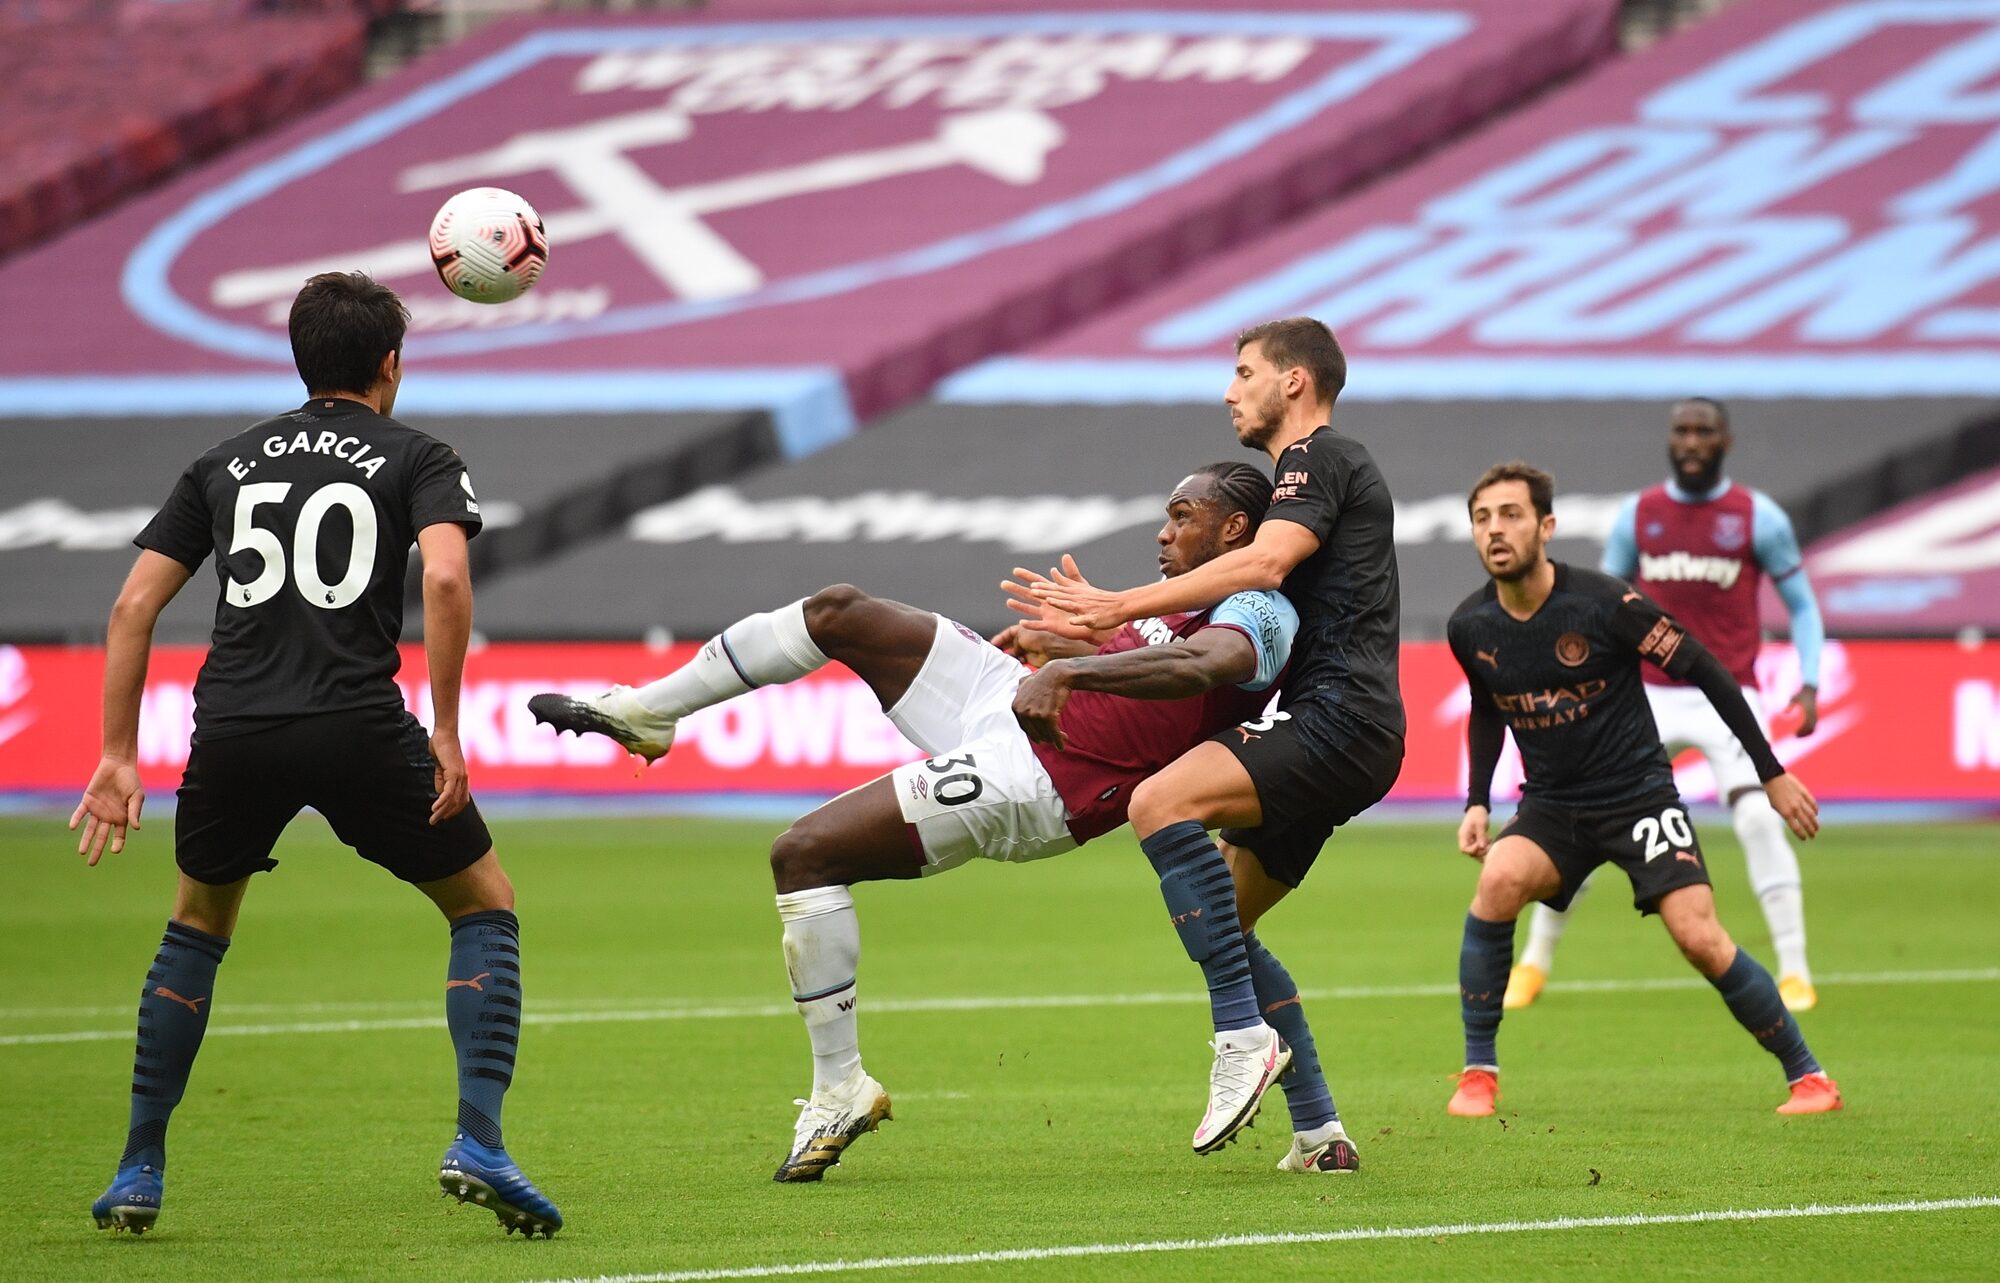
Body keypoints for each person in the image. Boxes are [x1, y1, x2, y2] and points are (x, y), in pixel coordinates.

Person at [528, 464, 1354, 1180]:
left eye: (1183, 515)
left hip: (1033, 779)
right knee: (840, 610)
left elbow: (1206, 665)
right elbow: (1141, 654)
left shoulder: (1260, 605)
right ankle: (647, 712)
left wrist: (1074, 672)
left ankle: (837, 1088)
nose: (1163, 531)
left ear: (1237, 527)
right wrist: (1061, 649)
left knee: (802, 854)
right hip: (995, 701)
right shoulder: (1174, 599)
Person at [69, 272, 560, 1237]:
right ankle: (478, 1137)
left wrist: (116, 755)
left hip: (236, 728)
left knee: (197, 928)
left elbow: (132, 606)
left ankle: (137, 1167)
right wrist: (449, 728)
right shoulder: (419, 454)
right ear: (389, 364)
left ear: (299, 357)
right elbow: (450, 581)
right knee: (484, 900)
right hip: (356, 724)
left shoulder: (225, 461)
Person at [1018, 317, 1401, 1165]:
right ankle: (1320, 1129)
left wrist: (1116, 606)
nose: (1230, 390)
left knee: (1161, 801)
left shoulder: (1316, 457)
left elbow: (1262, 568)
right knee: (1227, 918)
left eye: (1243, 372)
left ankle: (1241, 1040)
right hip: (1350, 728)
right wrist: (1088, 637)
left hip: (1338, 715)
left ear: (1294, 381)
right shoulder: (1312, 476)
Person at [1445, 461, 1841, 1119]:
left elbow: (1708, 669)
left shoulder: (1605, 604)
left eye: (1510, 514)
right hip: (1552, 806)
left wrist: (1770, 771)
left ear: (1546, 525)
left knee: (1699, 936)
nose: (1495, 530)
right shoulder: (1470, 626)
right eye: (1482, 518)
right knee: (1497, 883)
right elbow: (1487, 707)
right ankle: (1478, 1074)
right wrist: (1478, 800)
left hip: (1638, 798)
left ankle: (1810, 1077)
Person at [1507, 397, 1827, 1013]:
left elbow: (1805, 605)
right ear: (1670, 440)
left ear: (1725, 441)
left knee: (1760, 818)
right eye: (1681, 430)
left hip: (1726, 693)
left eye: (1703, 431)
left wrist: (1809, 681)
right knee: (1590, 823)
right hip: (1642, 696)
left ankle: (1795, 969)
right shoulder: (1639, 515)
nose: (1691, 441)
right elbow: (1599, 603)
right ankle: (1534, 962)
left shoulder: (1757, 518)